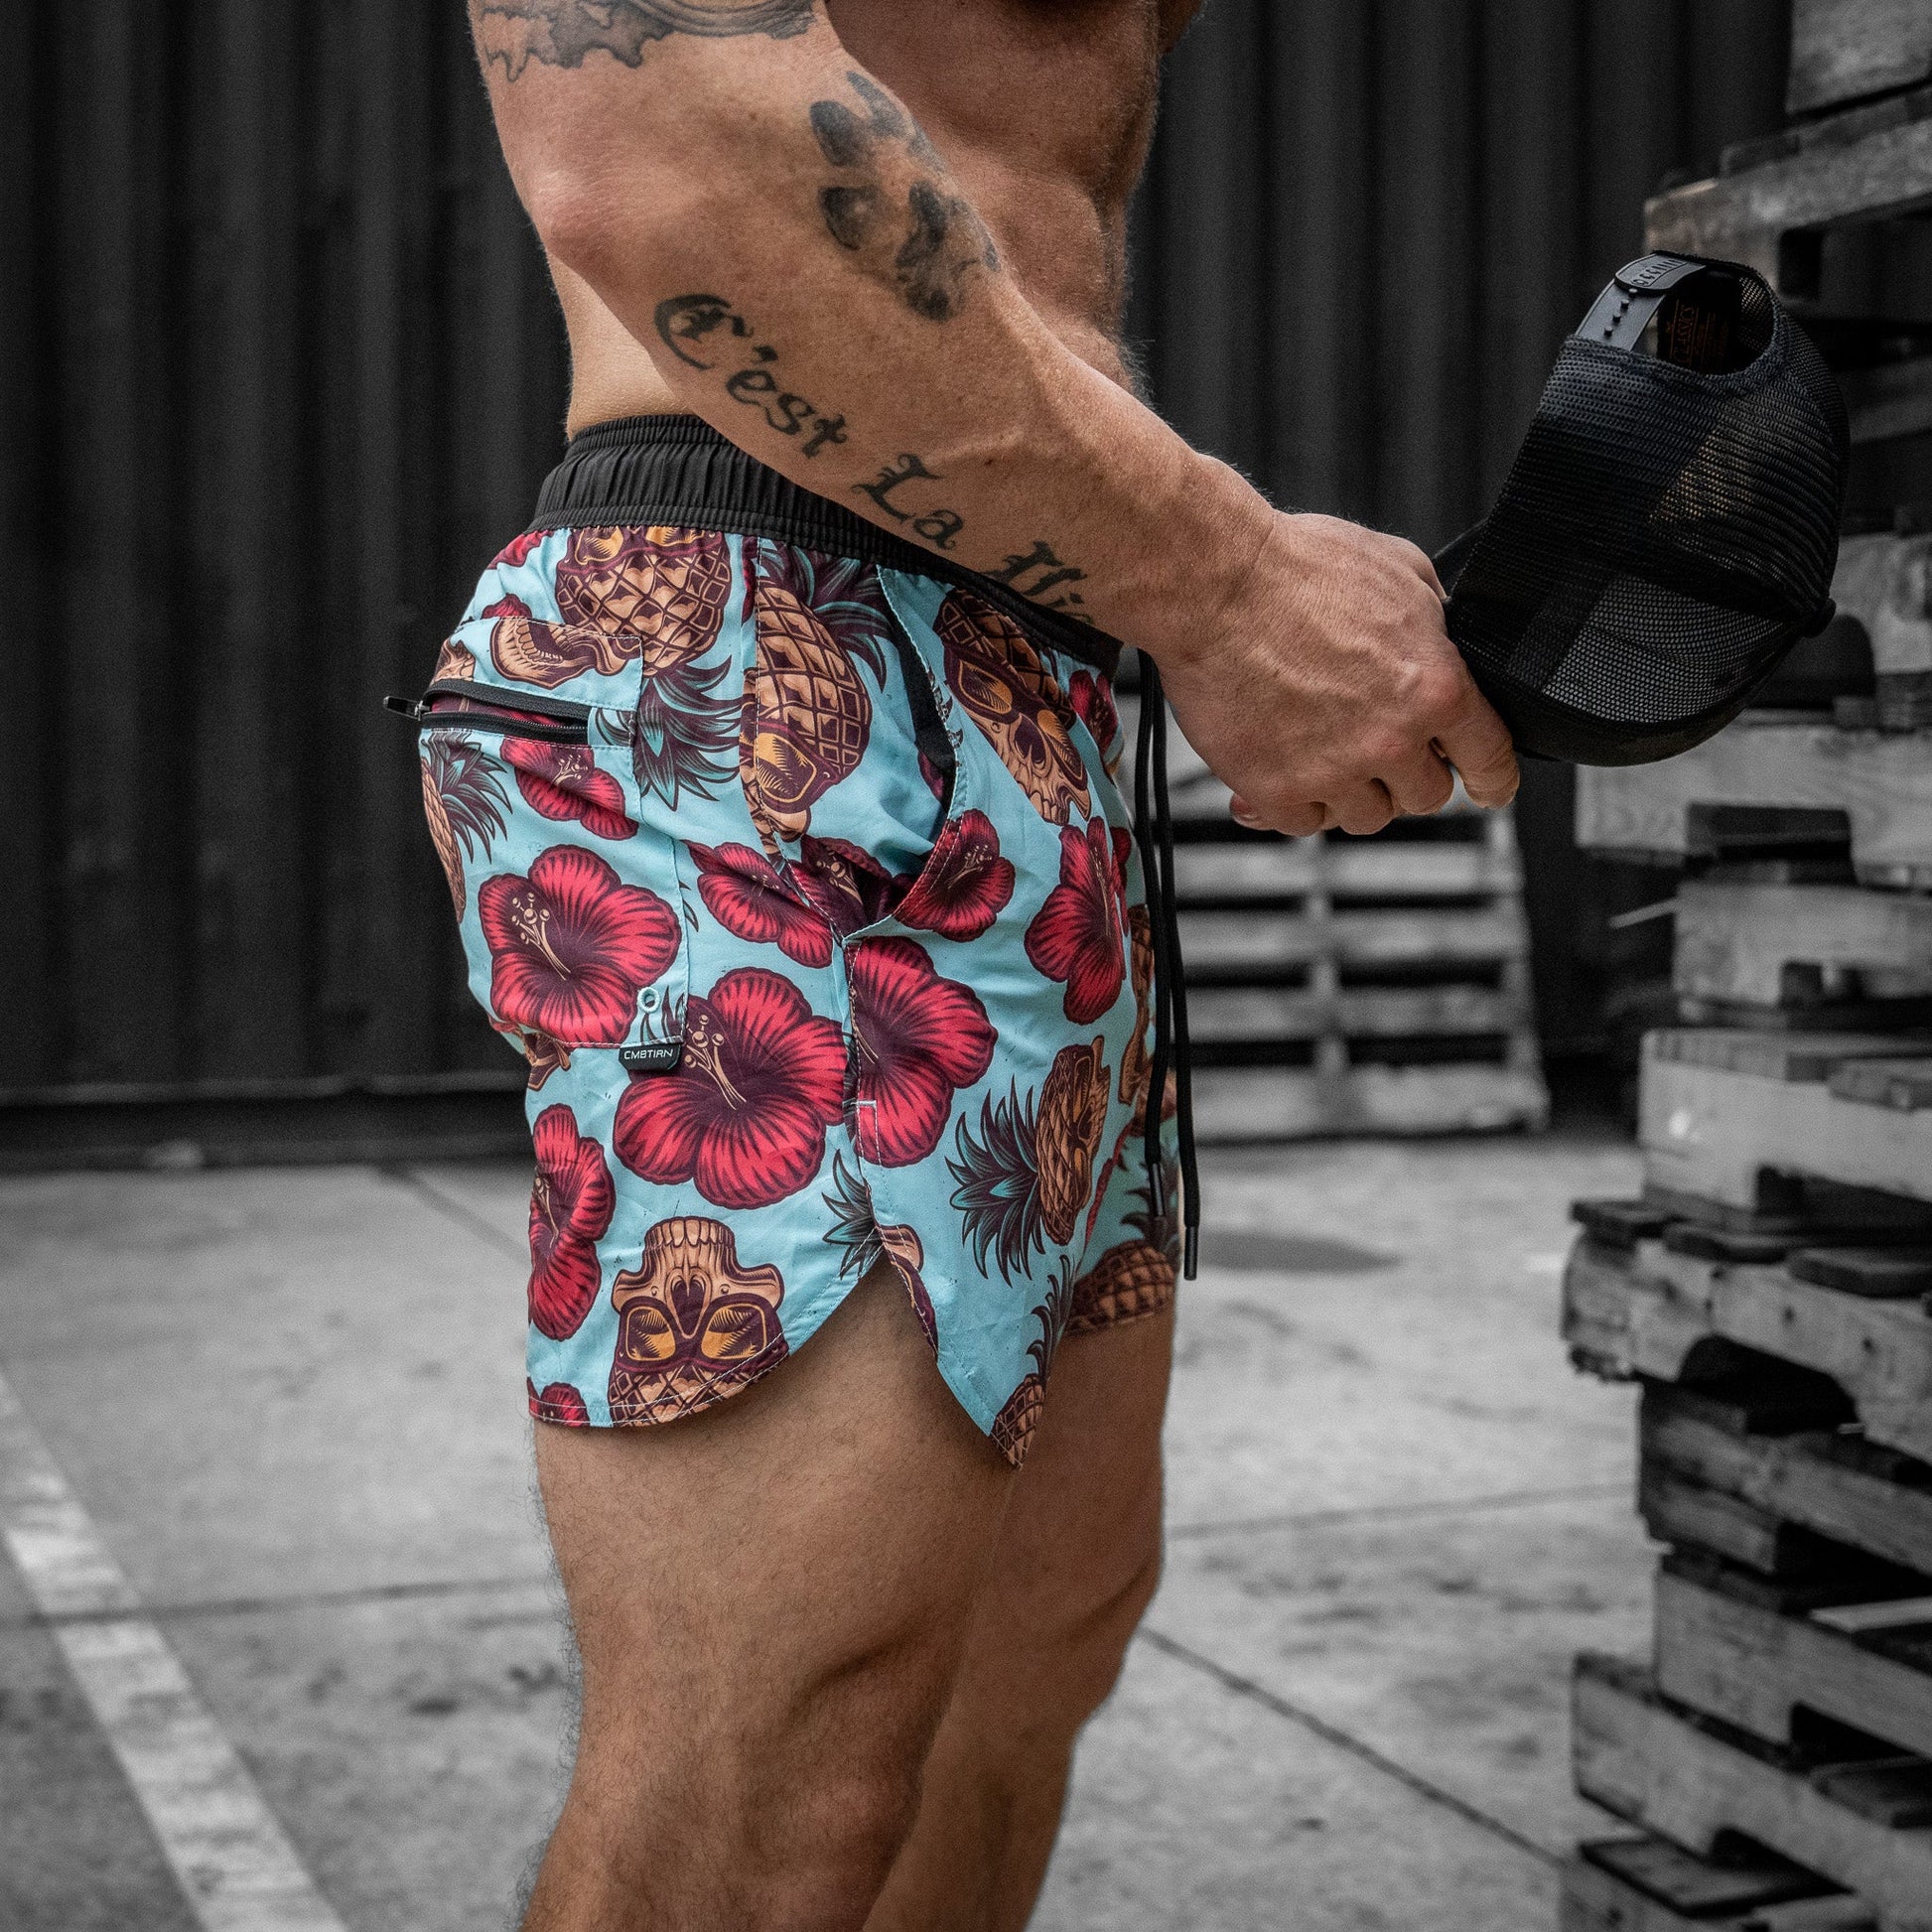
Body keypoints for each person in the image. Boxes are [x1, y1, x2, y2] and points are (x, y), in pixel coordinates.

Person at [425, 5, 1518, 1927]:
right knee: (779, 1765)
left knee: (1028, 1652)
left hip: (1042, 681)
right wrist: (1227, 584)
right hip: (768, 646)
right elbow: (649, 149)